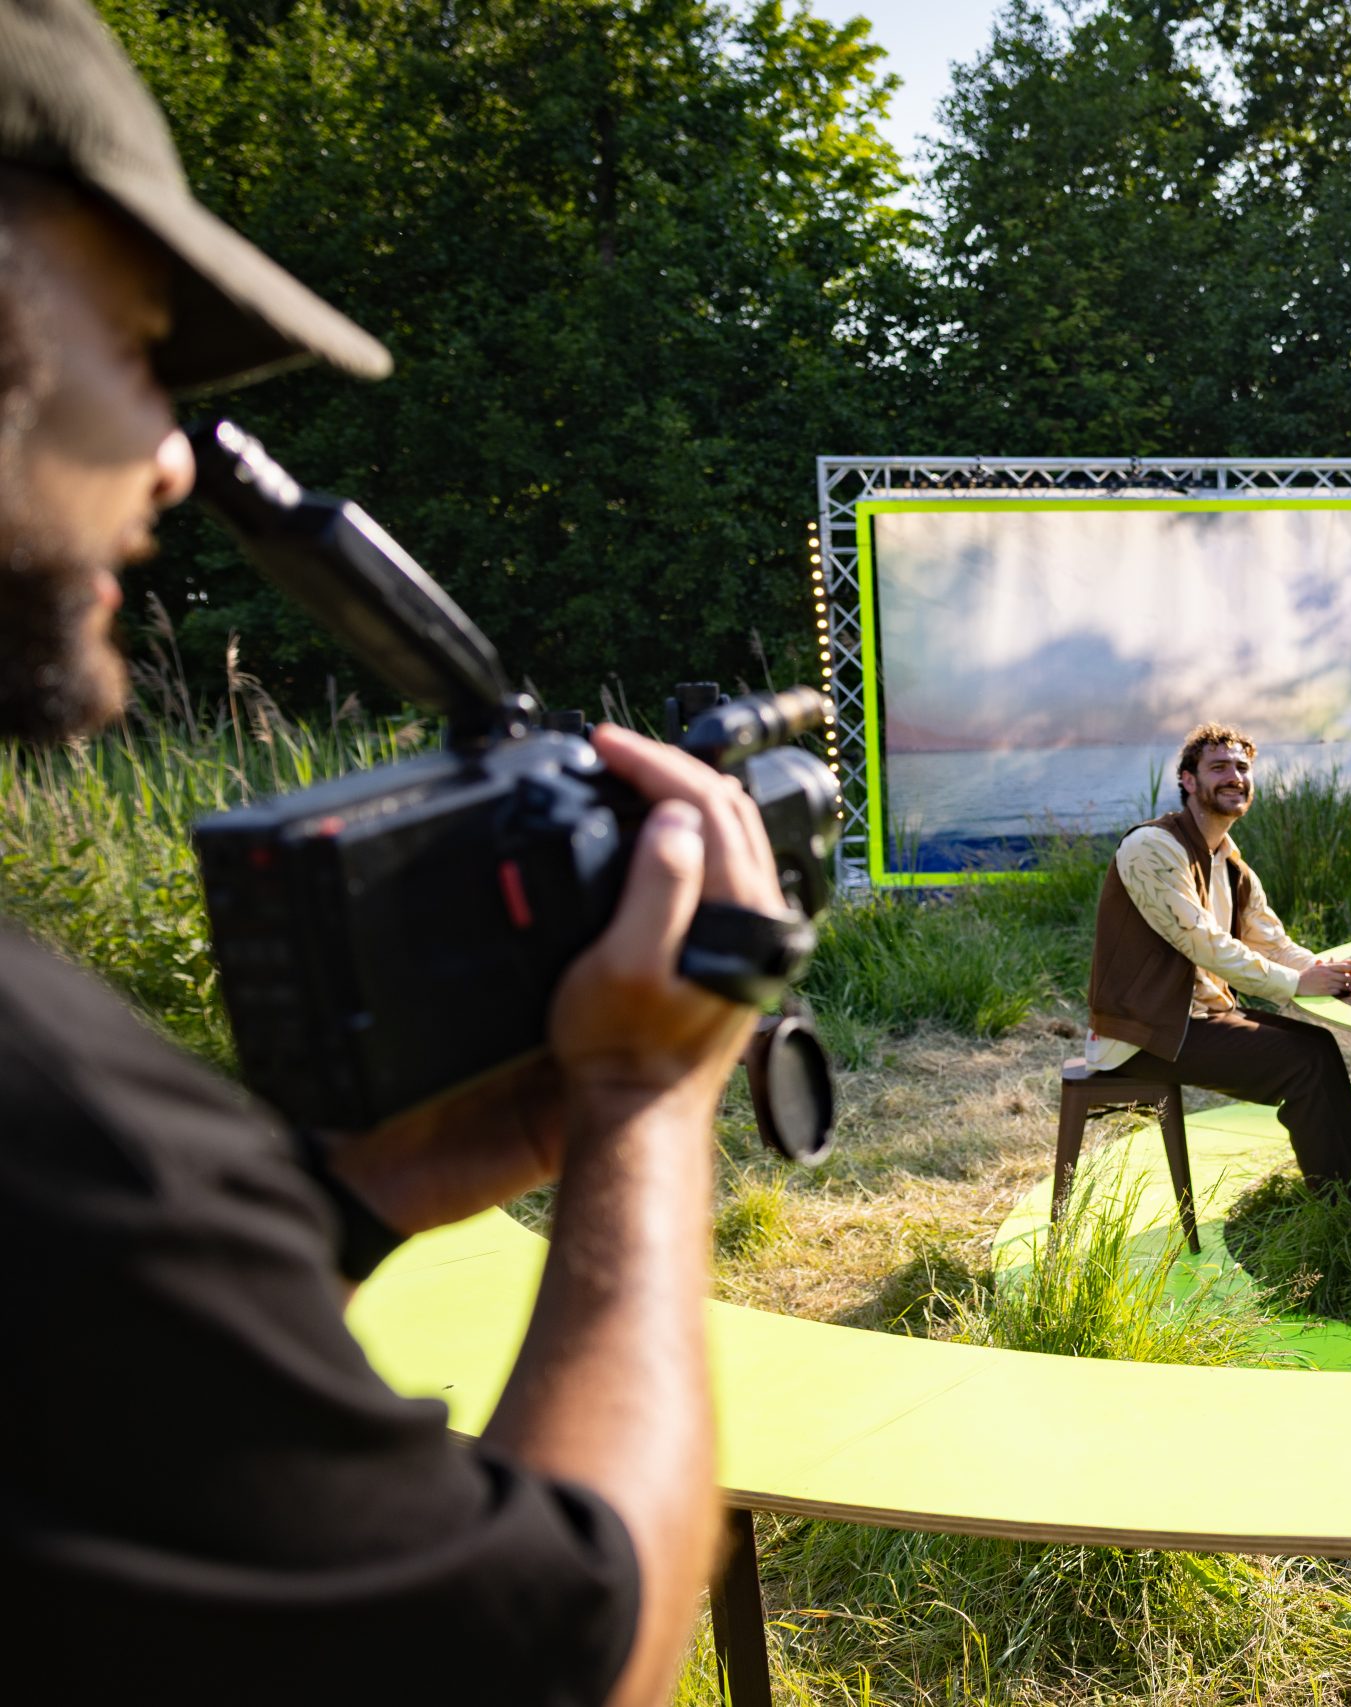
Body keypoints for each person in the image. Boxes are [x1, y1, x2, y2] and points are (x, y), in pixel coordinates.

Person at [1, 5, 783, 1699]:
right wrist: (647, 1111)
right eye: (139, 347)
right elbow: (565, 1647)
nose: (166, 459)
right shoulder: (48, 1126)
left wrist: (336, 1203)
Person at [1083, 722, 1351, 1199]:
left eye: (1242, 767)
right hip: (1144, 1034)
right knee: (1302, 1062)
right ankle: (1344, 1208)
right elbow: (1202, 943)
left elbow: (1272, 941)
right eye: (1218, 767)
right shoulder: (1151, 848)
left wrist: (1326, 969)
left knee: (1318, 1046)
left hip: (1202, 1019)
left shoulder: (1230, 862)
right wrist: (1297, 984)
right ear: (1187, 780)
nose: (1234, 777)